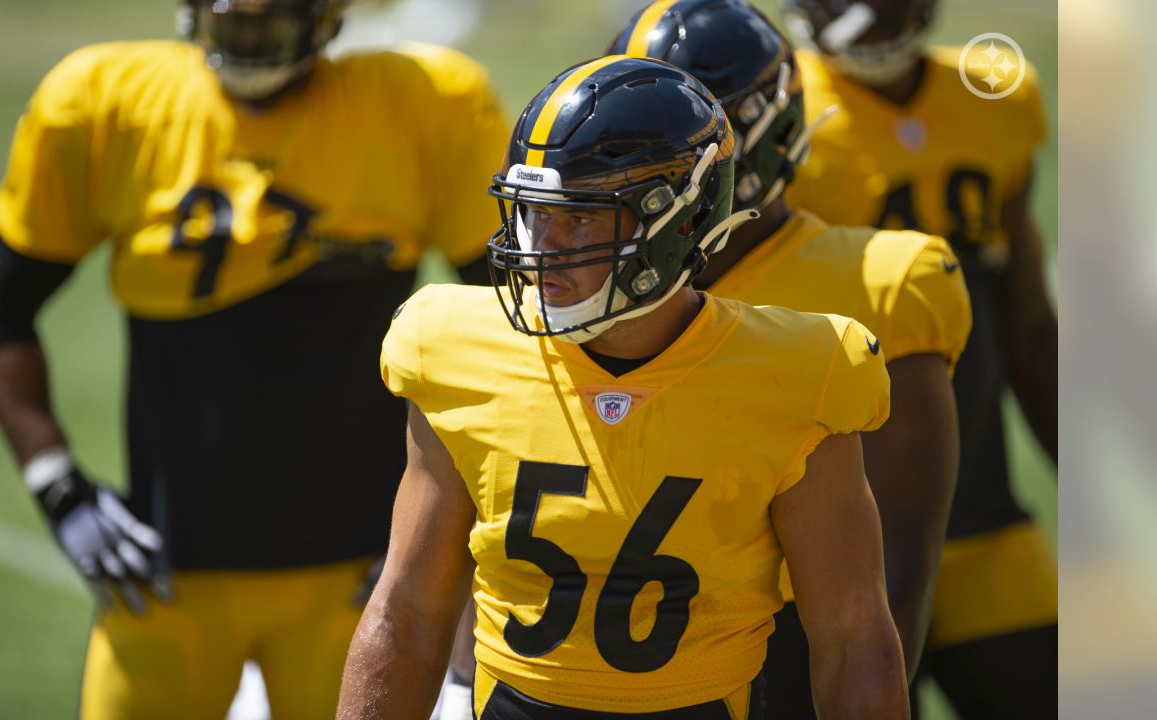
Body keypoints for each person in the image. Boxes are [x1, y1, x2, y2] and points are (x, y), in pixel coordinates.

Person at [0, 0, 508, 717]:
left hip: (357, 580)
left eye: (271, 20)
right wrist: (56, 482)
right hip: (168, 578)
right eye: (235, 18)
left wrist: (438, 536)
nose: (251, 39)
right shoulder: (106, 104)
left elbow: (518, 327)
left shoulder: (423, 103)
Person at [337, 55, 909, 719]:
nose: (542, 247)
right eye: (532, 212)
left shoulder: (801, 373)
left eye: (578, 218)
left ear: (680, 222)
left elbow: (852, 639)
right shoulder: (454, 348)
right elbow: (406, 612)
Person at [609, 1, 972, 715]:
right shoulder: (594, 280)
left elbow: (892, 572)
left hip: (786, 660)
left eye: (697, 130)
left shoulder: (881, 285)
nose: (665, 154)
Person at [778, 0, 1058, 715]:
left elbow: (1027, 323)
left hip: (983, 506)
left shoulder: (997, 92)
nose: (870, 22)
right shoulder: (776, 113)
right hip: (832, 539)